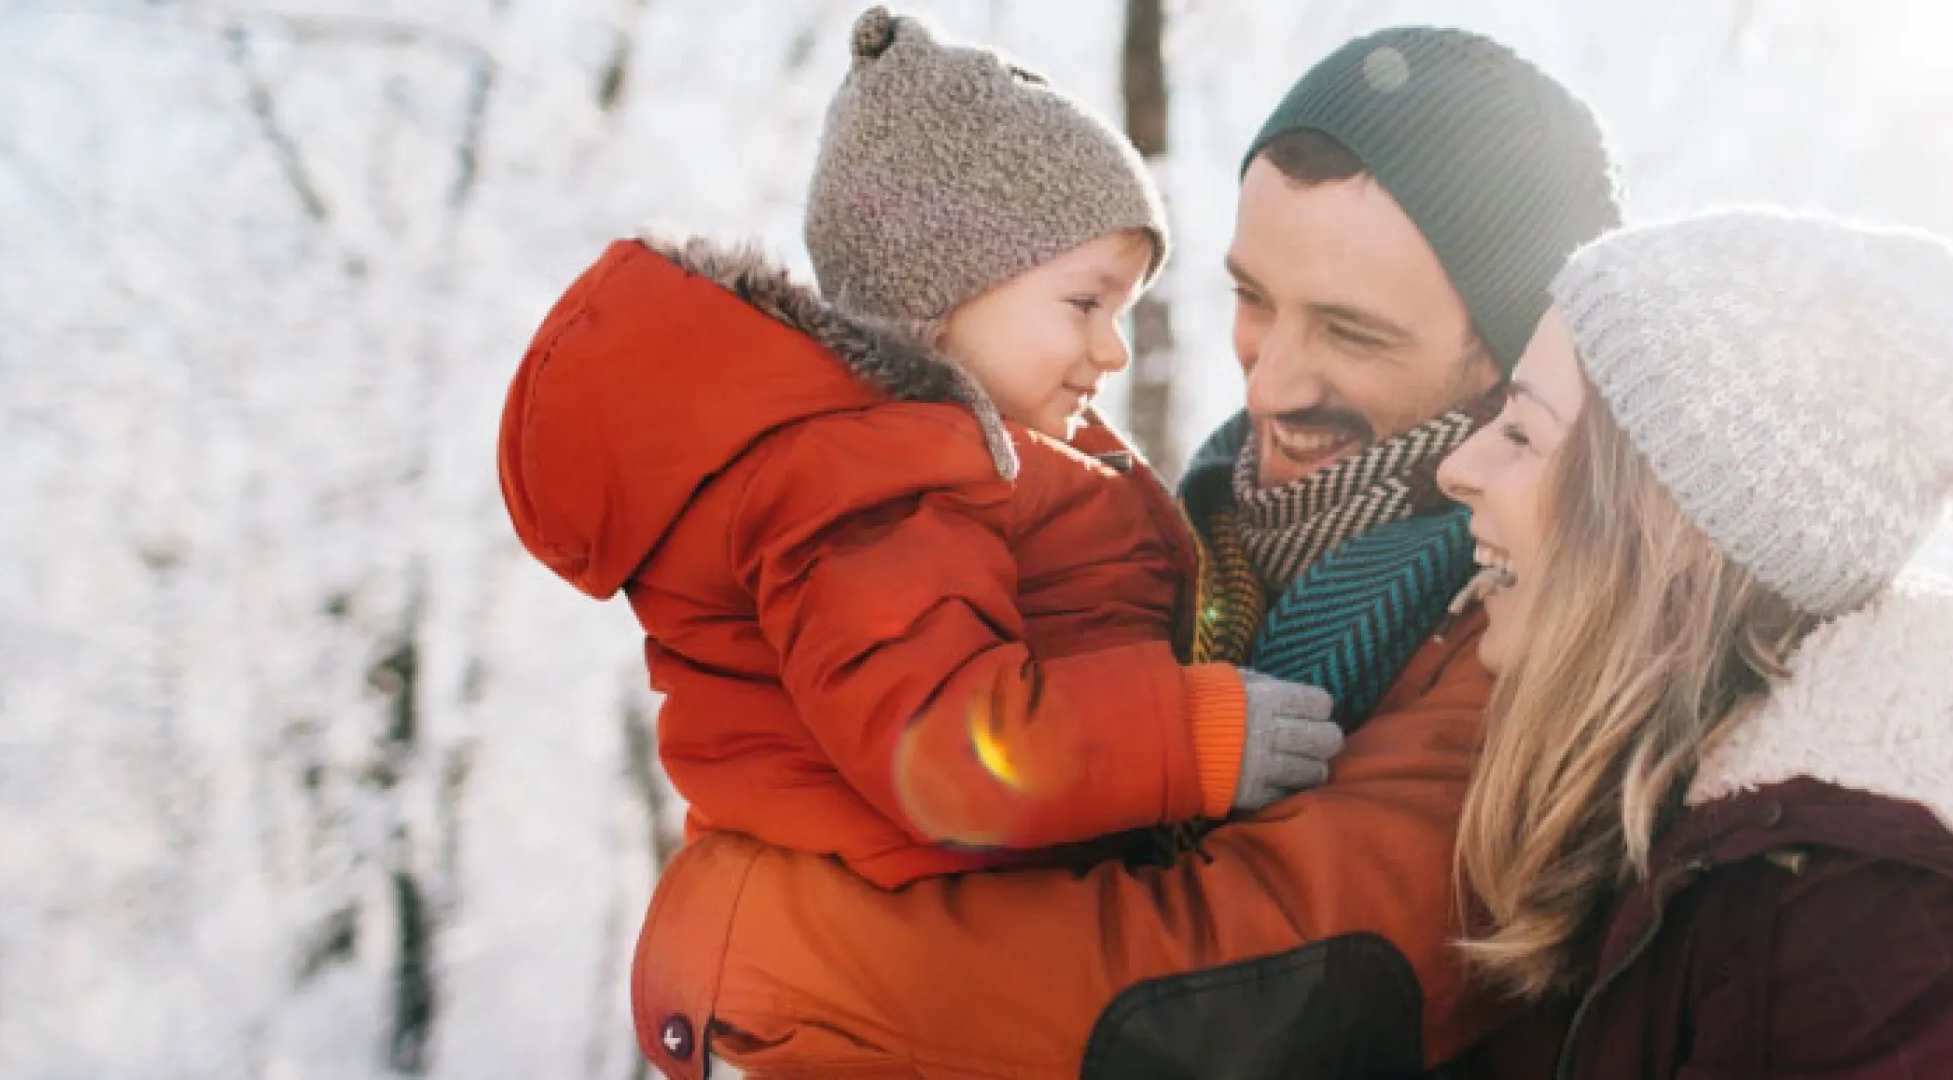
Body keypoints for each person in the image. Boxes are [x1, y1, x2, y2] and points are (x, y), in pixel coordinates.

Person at [601, 24, 1628, 1080]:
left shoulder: (1536, 630)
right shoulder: (1191, 536)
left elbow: (1246, 1007)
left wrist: (759, 940)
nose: (1269, 382)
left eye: (1353, 332)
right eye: (1252, 299)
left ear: (1518, 357)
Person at [500, 7, 1345, 899]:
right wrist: (1191, 736)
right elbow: (943, 744)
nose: (1114, 352)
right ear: (942, 292)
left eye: (1124, 313)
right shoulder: (871, 491)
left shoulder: (953, 464)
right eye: (1085, 304)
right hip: (917, 924)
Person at [1435, 208, 1953, 1077]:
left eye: (1522, 433)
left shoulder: (1876, 942)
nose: (1456, 468)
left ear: (1668, 532)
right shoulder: (1690, 824)